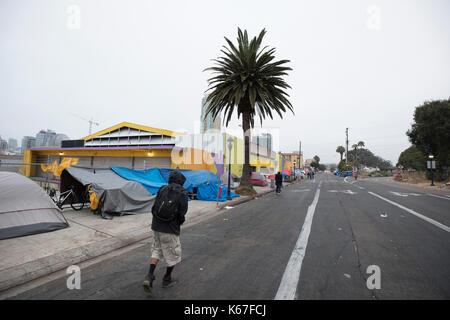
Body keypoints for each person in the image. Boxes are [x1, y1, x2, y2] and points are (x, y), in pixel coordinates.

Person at [143, 170, 188, 292]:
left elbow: (154, 207)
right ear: (181, 181)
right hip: (170, 229)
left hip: (156, 226)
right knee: (173, 254)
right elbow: (182, 213)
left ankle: (149, 275)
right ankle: (167, 278)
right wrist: (178, 223)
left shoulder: (162, 189)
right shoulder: (182, 193)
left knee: (157, 250)